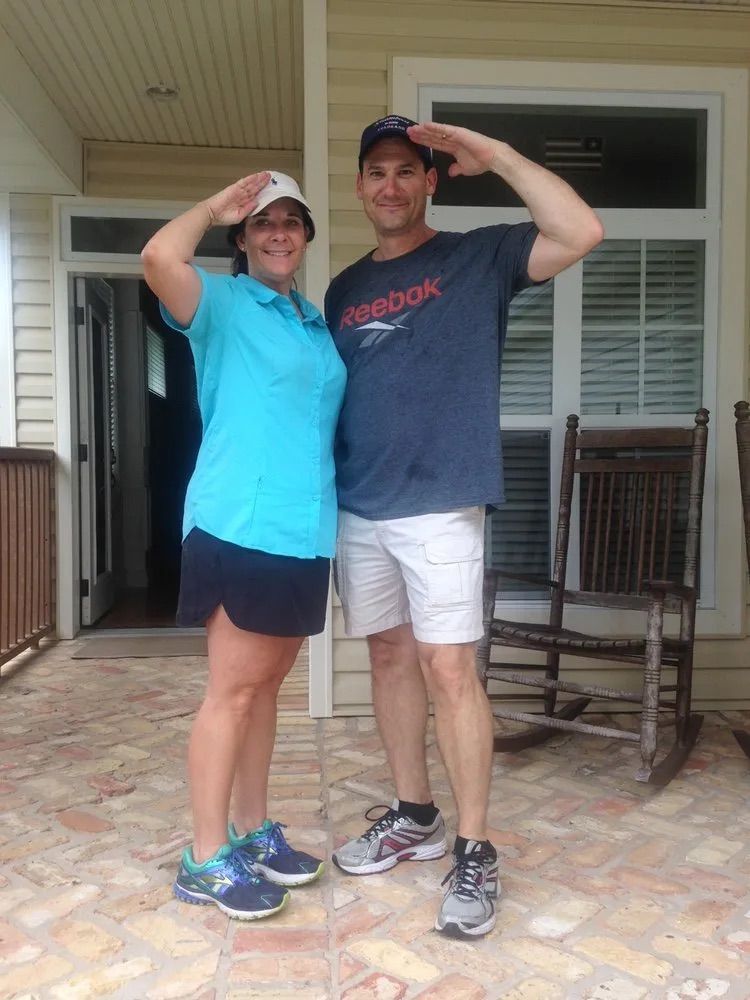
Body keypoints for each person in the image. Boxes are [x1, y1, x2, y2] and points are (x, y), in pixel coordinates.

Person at [325, 115, 603, 938]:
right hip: (360, 502)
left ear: (431, 181)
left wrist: (503, 156)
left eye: (406, 170)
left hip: (442, 501)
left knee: (451, 669)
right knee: (387, 654)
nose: (390, 185)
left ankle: (475, 849)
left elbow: (579, 230)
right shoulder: (343, 290)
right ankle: (415, 814)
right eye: (376, 171)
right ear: (360, 189)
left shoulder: (478, 256)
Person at [141, 171, 347, 920]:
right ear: (242, 237)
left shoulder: (312, 321)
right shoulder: (221, 304)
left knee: (265, 692)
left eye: (291, 221)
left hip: (303, 529)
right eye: (262, 223)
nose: (278, 232)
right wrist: (212, 205)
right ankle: (203, 856)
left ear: (306, 235)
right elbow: (160, 259)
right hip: (240, 523)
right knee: (230, 694)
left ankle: (255, 830)